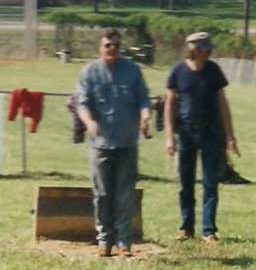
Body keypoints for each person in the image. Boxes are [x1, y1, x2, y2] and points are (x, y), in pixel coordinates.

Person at [77, 28, 151, 257]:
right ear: (100, 48)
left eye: (116, 46)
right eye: (108, 45)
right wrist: (89, 122)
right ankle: (104, 240)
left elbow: (143, 99)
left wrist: (145, 116)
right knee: (102, 194)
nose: (112, 49)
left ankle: (124, 242)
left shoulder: (132, 71)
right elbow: (82, 103)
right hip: (101, 144)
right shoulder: (90, 72)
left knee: (125, 194)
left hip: (127, 143)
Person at [164, 32, 239, 245]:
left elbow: (223, 103)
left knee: (210, 183)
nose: (209, 51)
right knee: (186, 183)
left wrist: (230, 136)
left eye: (208, 47)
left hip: (211, 133)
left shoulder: (213, 71)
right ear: (194, 50)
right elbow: (169, 105)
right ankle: (186, 228)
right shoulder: (178, 72)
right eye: (204, 47)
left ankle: (209, 230)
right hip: (186, 133)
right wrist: (170, 136)